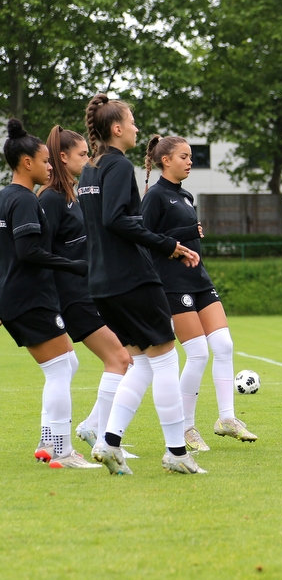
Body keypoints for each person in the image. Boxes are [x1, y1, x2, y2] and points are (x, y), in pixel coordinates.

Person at [78, 93, 206, 475]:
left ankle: (108, 441)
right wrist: (170, 246)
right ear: (116, 129)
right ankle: (176, 452)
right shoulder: (117, 165)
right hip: (131, 279)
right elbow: (118, 219)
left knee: (141, 365)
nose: (136, 127)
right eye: (131, 121)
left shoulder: (89, 170)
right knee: (166, 360)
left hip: (101, 283)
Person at [141, 134, 258, 451]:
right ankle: (185, 428)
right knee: (198, 353)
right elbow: (145, 239)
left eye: (191, 156)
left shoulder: (187, 196)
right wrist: (185, 234)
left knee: (224, 345)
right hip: (172, 284)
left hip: (199, 280)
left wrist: (190, 238)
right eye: (184, 156)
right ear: (166, 160)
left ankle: (227, 418)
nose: (190, 161)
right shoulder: (154, 197)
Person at [0, 119, 99, 469]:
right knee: (60, 368)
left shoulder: (4, 197)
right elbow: (28, 252)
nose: (48, 167)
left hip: (15, 297)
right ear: (27, 163)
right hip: (30, 297)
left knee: (67, 363)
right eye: (44, 162)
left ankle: (47, 441)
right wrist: (74, 266)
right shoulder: (25, 200)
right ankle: (61, 450)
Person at [38, 125, 132, 454]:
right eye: (82, 155)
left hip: (87, 292)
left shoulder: (71, 195)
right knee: (120, 359)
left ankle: (80, 435)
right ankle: (102, 439)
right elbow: (38, 254)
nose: (88, 160)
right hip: (72, 297)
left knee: (118, 359)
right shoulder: (49, 198)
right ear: (62, 158)